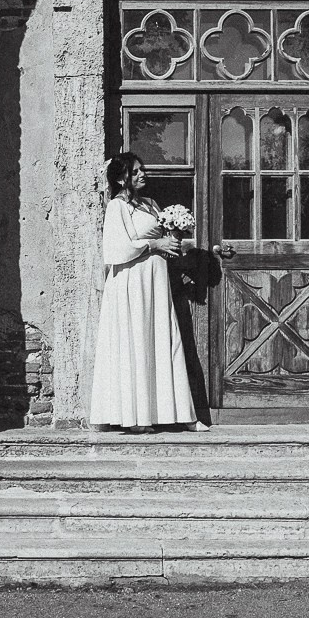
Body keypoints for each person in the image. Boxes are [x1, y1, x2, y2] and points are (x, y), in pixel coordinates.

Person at [90, 152, 203, 431]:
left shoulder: (151, 205)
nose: (143, 174)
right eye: (135, 171)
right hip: (131, 281)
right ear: (121, 178)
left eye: (143, 169)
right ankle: (136, 418)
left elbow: (162, 237)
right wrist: (154, 245)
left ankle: (181, 415)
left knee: (163, 340)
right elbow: (116, 249)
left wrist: (173, 238)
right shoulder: (117, 207)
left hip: (156, 279)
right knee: (136, 341)